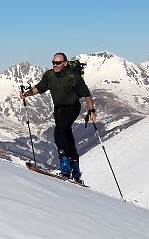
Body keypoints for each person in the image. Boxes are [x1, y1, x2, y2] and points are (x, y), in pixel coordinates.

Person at [19, 52, 97, 182]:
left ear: (65, 63)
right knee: (66, 134)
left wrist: (91, 110)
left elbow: (86, 94)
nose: (55, 65)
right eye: (53, 62)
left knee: (59, 131)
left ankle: (65, 169)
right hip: (58, 110)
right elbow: (39, 88)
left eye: (58, 63)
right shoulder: (49, 75)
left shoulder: (73, 76)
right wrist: (26, 94)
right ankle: (75, 170)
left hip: (72, 108)